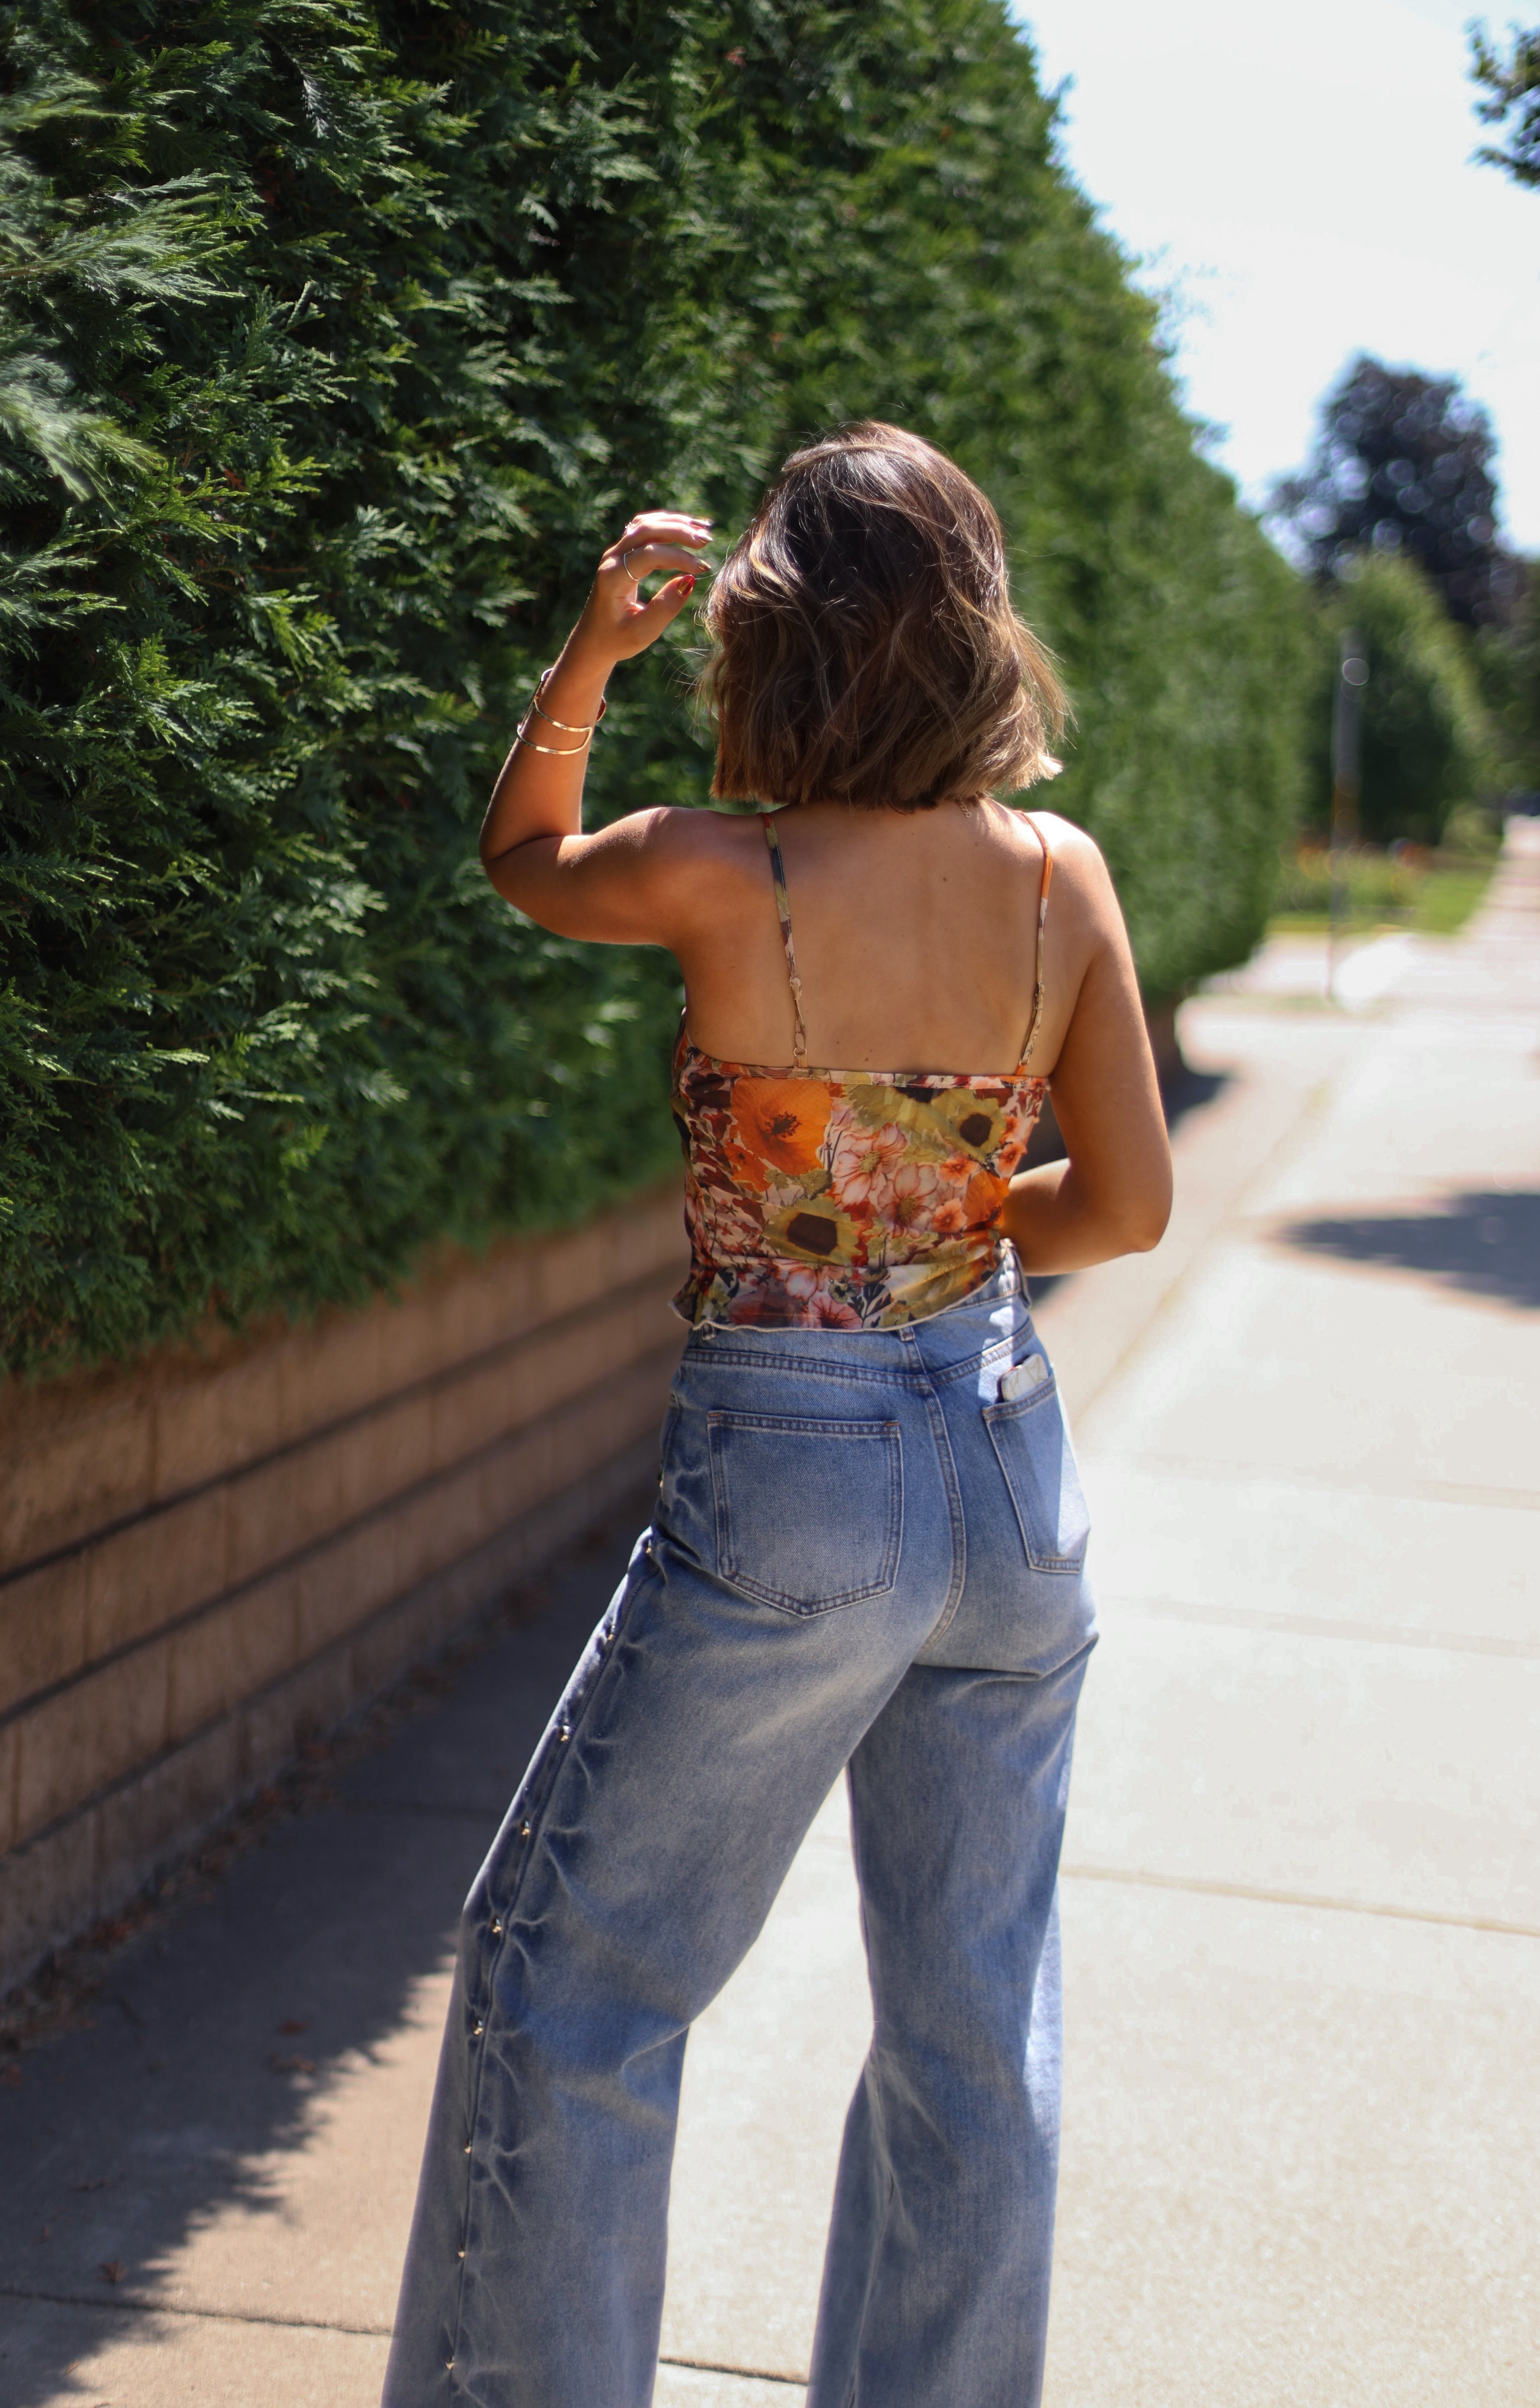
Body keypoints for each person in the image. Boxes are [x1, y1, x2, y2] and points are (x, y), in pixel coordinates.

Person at [383, 422, 1171, 2408]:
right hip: (1008, 1472)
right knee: (974, 2034)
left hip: (793, 1478)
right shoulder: (1060, 881)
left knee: (572, 1993)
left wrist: (585, 659)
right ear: (975, 634)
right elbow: (1132, 1206)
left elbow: (519, 865)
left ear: (774, 644)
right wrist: (957, 1228)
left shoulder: (714, 872)